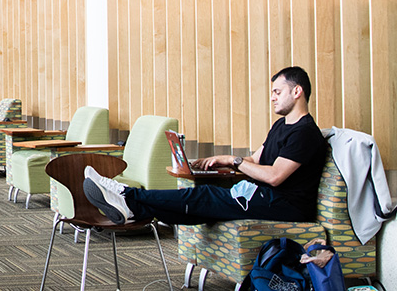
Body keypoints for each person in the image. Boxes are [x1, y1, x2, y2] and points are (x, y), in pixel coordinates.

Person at [83, 66, 327, 225]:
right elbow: (256, 160)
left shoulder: (305, 132)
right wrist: (224, 158)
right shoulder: (281, 126)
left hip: (286, 207)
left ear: (297, 91)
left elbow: (274, 176)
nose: (272, 97)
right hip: (263, 197)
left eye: (277, 91)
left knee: (204, 195)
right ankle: (134, 209)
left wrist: (235, 161)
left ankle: (126, 195)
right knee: (197, 207)